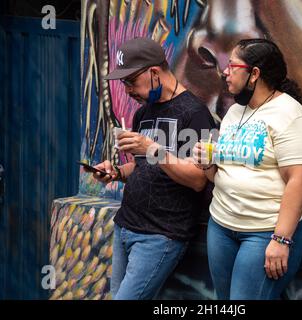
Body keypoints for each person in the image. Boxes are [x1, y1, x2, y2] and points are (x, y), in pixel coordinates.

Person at [86, 37, 216, 300]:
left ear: (154, 72)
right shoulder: (143, 113)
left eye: (131, 82)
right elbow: (142, 166)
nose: (128, 90)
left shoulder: (195, 113)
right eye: (124, 84)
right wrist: (116, 173)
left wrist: (153, 149)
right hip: (125, 226)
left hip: (160, 235)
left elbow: (198, 180)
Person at [193, 38, 302, 300]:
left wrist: (281, 240)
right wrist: (207, 163)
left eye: (232, 65)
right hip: (222, 226)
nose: (225, 71)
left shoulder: (290, 115)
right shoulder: (235, 112)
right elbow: (221, 174)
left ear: (254, 74)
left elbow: (299, 180)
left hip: (264, 232)